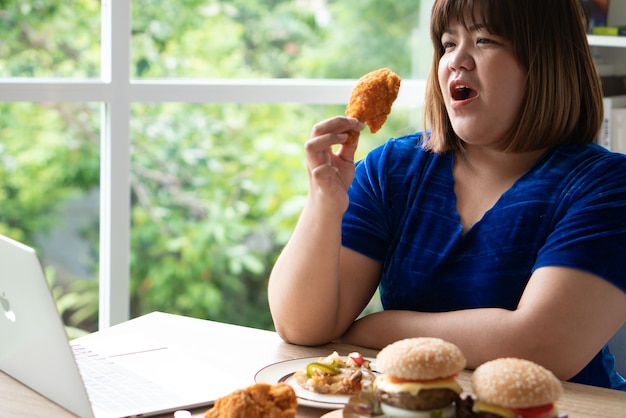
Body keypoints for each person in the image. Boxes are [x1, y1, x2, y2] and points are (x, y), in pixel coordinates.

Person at [268, 0, 626, 390]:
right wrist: (323, 204)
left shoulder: (607, 185)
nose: (457, 59)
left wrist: (376, 328)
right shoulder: (393, 169)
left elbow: (543, 344)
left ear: (546, 61)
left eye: (485, 39)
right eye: (447, 42)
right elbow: (300, 326)